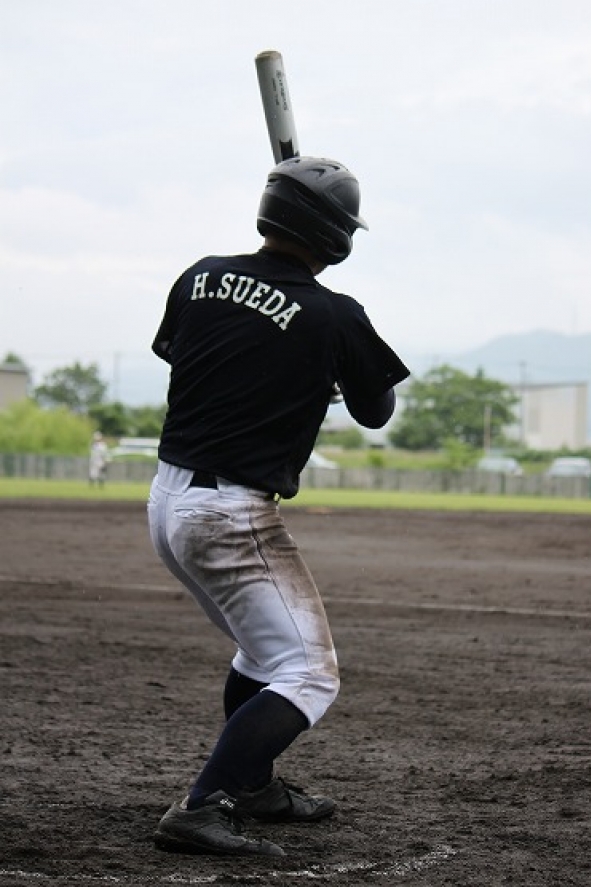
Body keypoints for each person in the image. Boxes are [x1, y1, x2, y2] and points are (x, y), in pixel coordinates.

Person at [147, 156, 410, 859]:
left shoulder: (200, 275)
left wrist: (298, 366)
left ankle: (253, 784)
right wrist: (327, 360)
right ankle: (203, 805)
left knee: (265, 652)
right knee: (309, 673)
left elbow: (197, 356)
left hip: (168, 501)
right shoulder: (335, 313)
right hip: (230, 516)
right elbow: (377, 410)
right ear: (335, 235)